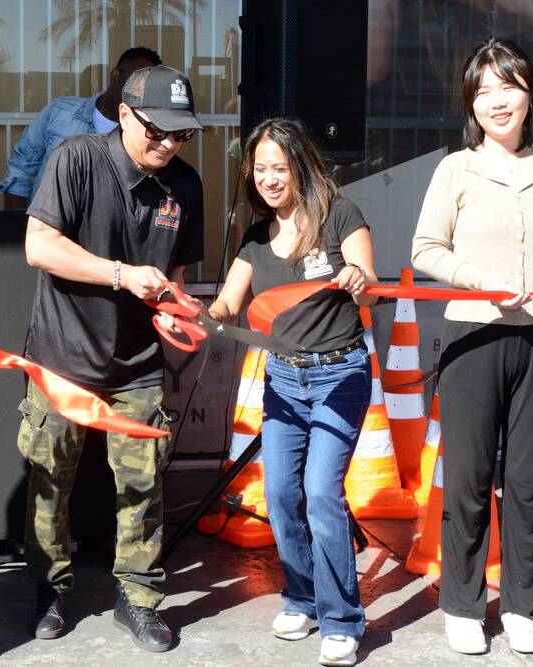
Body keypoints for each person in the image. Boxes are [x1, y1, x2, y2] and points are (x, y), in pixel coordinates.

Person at [18, 64, 203, 652]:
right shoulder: (76, 158)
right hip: (62, 354)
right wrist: (121, 275)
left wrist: (175, 310)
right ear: (124, 114)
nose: (168, 144)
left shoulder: (186, 184)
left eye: (181, 134)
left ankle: (139, 598)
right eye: (157, 131)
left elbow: (175, 274)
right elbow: (39, 246)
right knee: (51, 479)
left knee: (143, 483)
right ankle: (50, 588)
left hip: (139, 362)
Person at [411, 38, 533, 655]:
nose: (496, 100)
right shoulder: (455, 169)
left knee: (530, 481)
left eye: (507, 86)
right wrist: (480, 282)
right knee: (468, 477)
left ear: (530, 94)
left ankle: (521, 606)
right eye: (483, 90)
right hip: (473, 336)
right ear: (471, 104)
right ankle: (463, 605)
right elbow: (425, 249)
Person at [206, 116, 378, 667]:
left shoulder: (340, 215)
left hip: (339, 376)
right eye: (260, 169)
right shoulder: (256, 238)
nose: (270, 179)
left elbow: (370, 292)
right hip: (283, 380)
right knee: (280, 494)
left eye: (279, 167)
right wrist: (195, 316)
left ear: (301, 165)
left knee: (321, 492)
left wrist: (358, 279)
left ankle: (342, 619)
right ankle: (302, 598)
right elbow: (227, 304)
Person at [0, 47, 161, 209]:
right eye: (137, 82)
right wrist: (16, 224)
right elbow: (21, 170)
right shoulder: (60, 111)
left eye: (149, 87)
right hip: (47, 223)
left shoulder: (145, 132)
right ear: (115, 75)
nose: (141, 91)